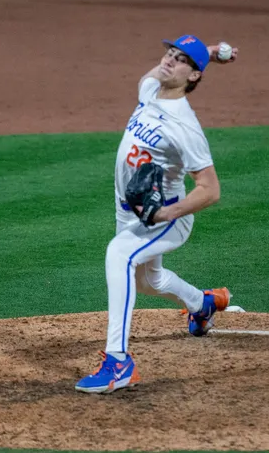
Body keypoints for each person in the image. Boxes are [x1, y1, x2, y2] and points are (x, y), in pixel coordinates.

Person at [75, 35, 238, 394]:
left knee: (118, 254)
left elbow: (210, 189)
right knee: (148, 282)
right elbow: (151, 76)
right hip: (132, 212)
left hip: (164, 219)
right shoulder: (151, 91)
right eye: (169, 53)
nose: (169, 61)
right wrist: (205, 52)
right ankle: (203, 304)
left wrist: (168, 213)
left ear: (194, 77)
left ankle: (118, 362)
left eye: (180, 60)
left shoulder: (185, 126)